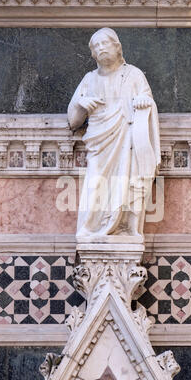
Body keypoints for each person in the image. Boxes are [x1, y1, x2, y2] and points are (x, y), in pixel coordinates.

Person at [68, 28, 160, 239]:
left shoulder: (134, 75)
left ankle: (124, 226)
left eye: (105, 43)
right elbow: (73, 120)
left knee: (125, 183)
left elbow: (146, 101)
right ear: (92, 53)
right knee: (96, 184)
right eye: (96, 46)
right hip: (99, 144)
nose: (101, 48)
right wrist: (82, 104)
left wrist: (144, 103)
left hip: (126, 142)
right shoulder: (89, 80)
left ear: (117, 47)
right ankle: (91, 229)